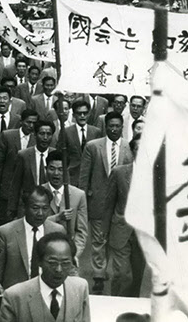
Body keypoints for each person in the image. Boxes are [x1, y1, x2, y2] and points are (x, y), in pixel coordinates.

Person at [79, 111, 133, 294]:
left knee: (115, 239)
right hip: (98, 200)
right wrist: (83, 196)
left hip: (119, 204)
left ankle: (115, 273)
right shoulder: (93, 147)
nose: (114, 129)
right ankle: (99, 276)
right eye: (111, 126)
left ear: (122, 127)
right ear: (106, 126)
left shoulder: (128, 147)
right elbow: (85, 174)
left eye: (118, 126)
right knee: (98, 239)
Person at [0, 232, 90, 322]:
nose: (59, 269)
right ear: (39, 262)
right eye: (52, 263)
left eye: (65, 263)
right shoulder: (15, 296)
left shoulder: (80, 288)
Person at [0, 186, 66, 289]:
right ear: (24, 207)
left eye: (45, 208)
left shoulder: (57, 231)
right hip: (16, 298)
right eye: (35, 208)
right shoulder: (5, 233)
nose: (40, 213)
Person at [105, 136, 145, 297]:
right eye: (138, 148)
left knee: (138, 276)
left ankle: (132, 308)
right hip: (121, 229)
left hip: (143, 233)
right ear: (132, 151)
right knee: (121, 274)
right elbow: (109, 203)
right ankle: (116, 304)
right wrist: (104, 231)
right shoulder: (119, 172)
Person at [0, 109, 38, 223]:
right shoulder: (7, 135)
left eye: (34, 123)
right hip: (8, 181)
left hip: (27, 184)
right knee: (5, 215)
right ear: (21, 121)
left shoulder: (37, 139)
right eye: (28, 122)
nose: (31, 126)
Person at [42, 150, 88, 264]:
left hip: (68, 255)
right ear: (45, 169)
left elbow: (81, 232)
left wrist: (74, 255)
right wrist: (57, 217)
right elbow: (34, 223)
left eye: (61, 169)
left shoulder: (79, 195)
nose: (56, 173)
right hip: (44, 253)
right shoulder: (39, 192)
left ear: (67, 171)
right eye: (52, 169)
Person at [9, 120, 55, 218]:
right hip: (28, 205)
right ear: (35, 135)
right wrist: (12, 208)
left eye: (49, 134)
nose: (45, 138)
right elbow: (16, 183)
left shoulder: (55, 155)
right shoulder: (24, 155)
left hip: (50, 205)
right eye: (42, 134)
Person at [64, 100, 102, 186]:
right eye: (79, 113)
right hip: (72, 177)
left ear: (89, 114)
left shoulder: (96, 132)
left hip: (91, 177)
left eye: (85, 113)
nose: (82, 116)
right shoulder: (66, 132)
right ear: (73, 115)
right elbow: (62, 155)